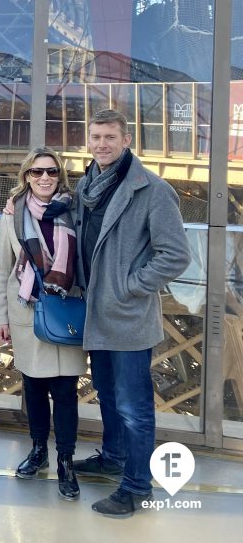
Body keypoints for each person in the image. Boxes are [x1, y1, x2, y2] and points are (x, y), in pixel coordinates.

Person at [70, 110, 189, 518]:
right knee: (106, 392)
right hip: (96, 311)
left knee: (134, 406)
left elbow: (176, 255)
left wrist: (130, 287)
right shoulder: (88, 185)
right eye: (96, 136)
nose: (101, 144)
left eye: (109, 137)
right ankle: (114, 456)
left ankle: (137, 485)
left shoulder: (151, 190)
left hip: (127, 315)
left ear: (126, 140)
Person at [0, 147, 86, 500]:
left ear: (59, 174)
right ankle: (38, 450)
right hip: (28, 310)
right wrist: (1, 317)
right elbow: (3, 270)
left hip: (66, 309)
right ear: (26, 176)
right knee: (33, 387)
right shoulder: (12, 215)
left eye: (50, 171)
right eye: (36, 172)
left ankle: (65, 460)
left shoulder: (76, 210)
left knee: (64, 392)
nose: (44, 178)